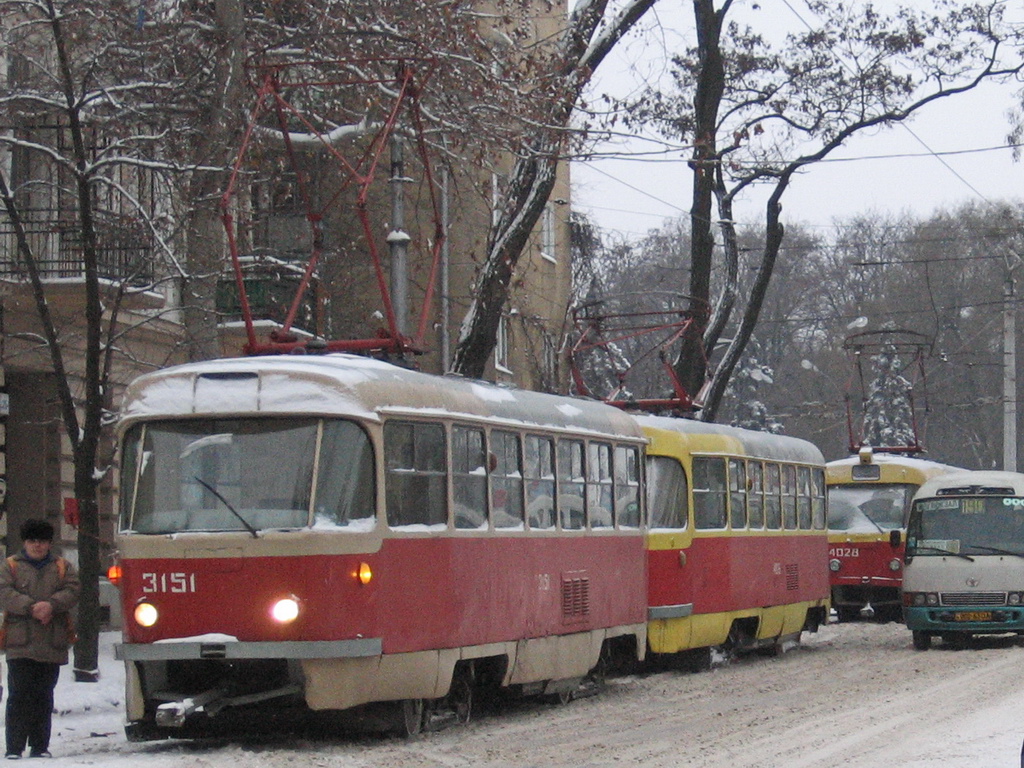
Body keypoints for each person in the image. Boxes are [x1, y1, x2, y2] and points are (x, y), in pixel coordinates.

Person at [0, 519, 80, 759]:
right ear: (25, 542)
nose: (37, 545)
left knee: (44, 695)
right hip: (20, 643)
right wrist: (31, 607)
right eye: (32, 540)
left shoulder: (62, 567)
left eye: (42, 541)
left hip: (51, 642)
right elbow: (4, 592)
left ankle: (40, 746)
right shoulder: (10, 566)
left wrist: (52, 605)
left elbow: (73, 590)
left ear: (49, 543)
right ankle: (14, 747)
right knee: (19, 694)